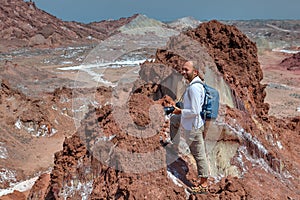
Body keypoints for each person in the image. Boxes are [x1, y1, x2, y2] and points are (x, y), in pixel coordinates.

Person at [168, 60, 209, 194]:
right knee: (174, 119)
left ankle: (203, 185)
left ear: (195, 72)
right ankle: (174, 145)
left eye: (187, 70)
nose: (183, 72)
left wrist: (180, 111)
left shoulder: (194, 88)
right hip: (188, 121)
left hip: (193, 126)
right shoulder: (194, 84)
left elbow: (195, 111)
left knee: (199, 155)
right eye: (183, 69)